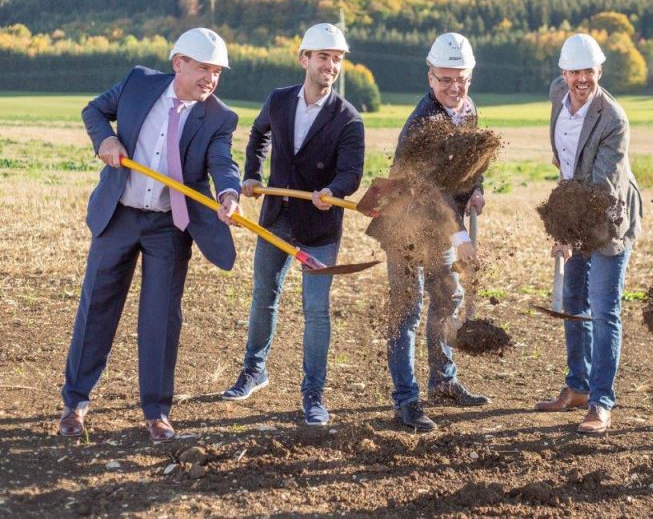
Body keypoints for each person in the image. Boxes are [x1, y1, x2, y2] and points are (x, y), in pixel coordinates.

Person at [58, 28, 240, 442]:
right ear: (178, 63)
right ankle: (75, 402)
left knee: (161, 317)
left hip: (169, 225)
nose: (211, 79)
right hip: (118, 215)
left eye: (217, 72)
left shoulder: (218, 116)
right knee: (97, 307)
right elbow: (94, 110)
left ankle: (157, 411)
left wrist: (228, 193)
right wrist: (105, 138)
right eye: (203, 68)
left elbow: (222, 161)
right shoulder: (138, 83)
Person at [221, 23, 365, 426]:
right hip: (276, 217)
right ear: (305, 59)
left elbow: (352, 172)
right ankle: (254, 370)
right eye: (323, 57)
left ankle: (313, 394)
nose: (331, 66)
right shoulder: (280, 101)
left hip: (319, 228)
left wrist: (332, 190)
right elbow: (257, 134)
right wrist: (251, 173)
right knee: (264, 294)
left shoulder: (348, 119)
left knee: (316, 310)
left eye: (337, 59)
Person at [372, 32, 489, 433]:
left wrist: (477, 189)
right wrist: (460, 237)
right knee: (406, 312)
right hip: (406, 225)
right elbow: (429, 191)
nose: (454, 88)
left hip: (440, 229)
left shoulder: (468, 110)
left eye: (461, 79)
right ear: (430, 77)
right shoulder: (424, 124)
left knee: (446, 297)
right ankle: (406, 400)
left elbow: (475, 158)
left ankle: (444, 382)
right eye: (445, 80)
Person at [535, 33, 642, 434]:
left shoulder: (613, 119)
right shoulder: (556, 94)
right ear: (564, 73)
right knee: (573, 302)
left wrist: (565, 230)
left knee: (603, 309)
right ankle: (576, 387)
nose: (582, 80)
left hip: (607, 217)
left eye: (589, 71)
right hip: (574, 208)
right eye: (575, 71)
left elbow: (602, 189)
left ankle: (601, 402)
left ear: (600, 70)